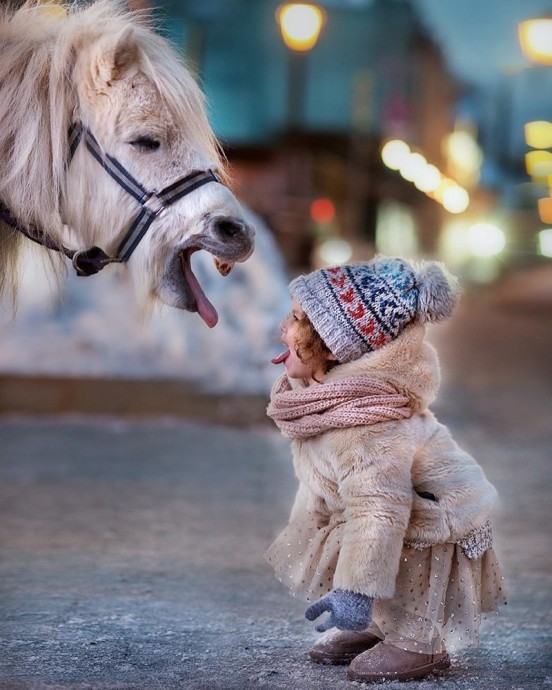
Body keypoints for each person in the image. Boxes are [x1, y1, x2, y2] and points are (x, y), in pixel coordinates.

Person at [265, 256, 506, 683]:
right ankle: (381, 625)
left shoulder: (368, 424)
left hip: (442, 518)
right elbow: (337, 488)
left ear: (334, 345)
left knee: (387, 526)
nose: (283, 326)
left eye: (297, 319)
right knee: (350, 524)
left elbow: (381, 509)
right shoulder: (331, 401)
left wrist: (355, 591)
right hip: (391, 507)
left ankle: (419, 640)